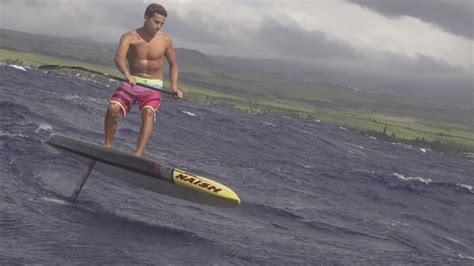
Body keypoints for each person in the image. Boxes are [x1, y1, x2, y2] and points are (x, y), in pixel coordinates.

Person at [104, 3, 183, 157]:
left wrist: (174, 87)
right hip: (133, 81)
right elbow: (119, 57)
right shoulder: (129, 37)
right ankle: (107, 146)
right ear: (146, 18)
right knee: (113, 108)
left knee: (148, 113)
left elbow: (174, 65)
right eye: (156, 22)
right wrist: (127, 74)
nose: (158, 26)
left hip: (154, 85)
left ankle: (138, 155)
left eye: (161, 24)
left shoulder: (165, 40)